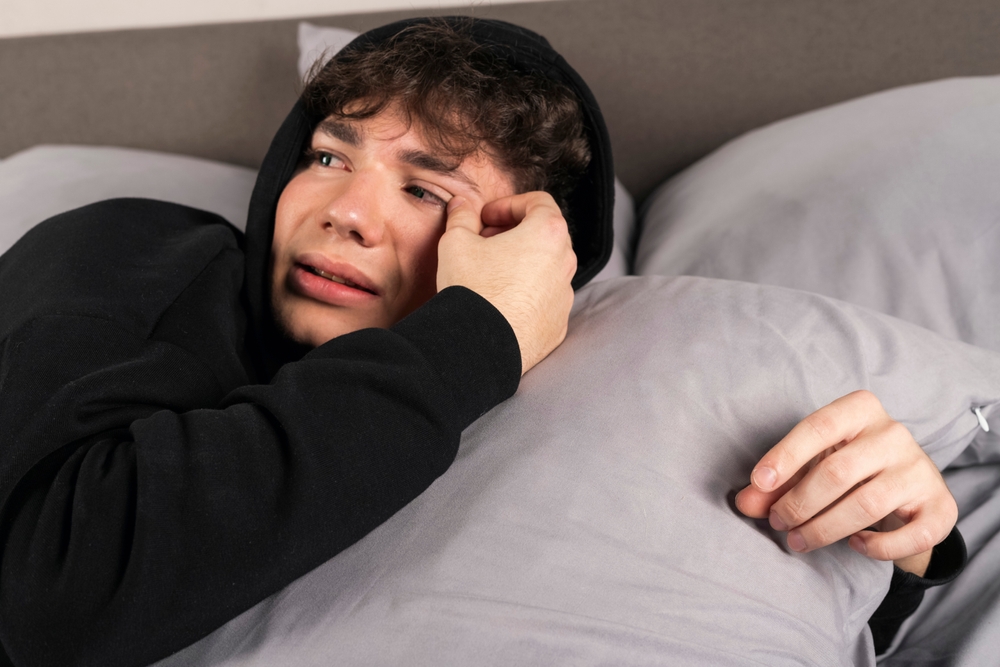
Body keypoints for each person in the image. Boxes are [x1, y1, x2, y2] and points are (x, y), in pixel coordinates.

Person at [0, 16, 962, 667]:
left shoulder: (583, 384)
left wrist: (896, 547)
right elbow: (54, 599)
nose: (346, 213)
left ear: (522, 251)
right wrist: (474, 336)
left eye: (425, 190)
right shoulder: (130, 251)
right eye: (328, 155)